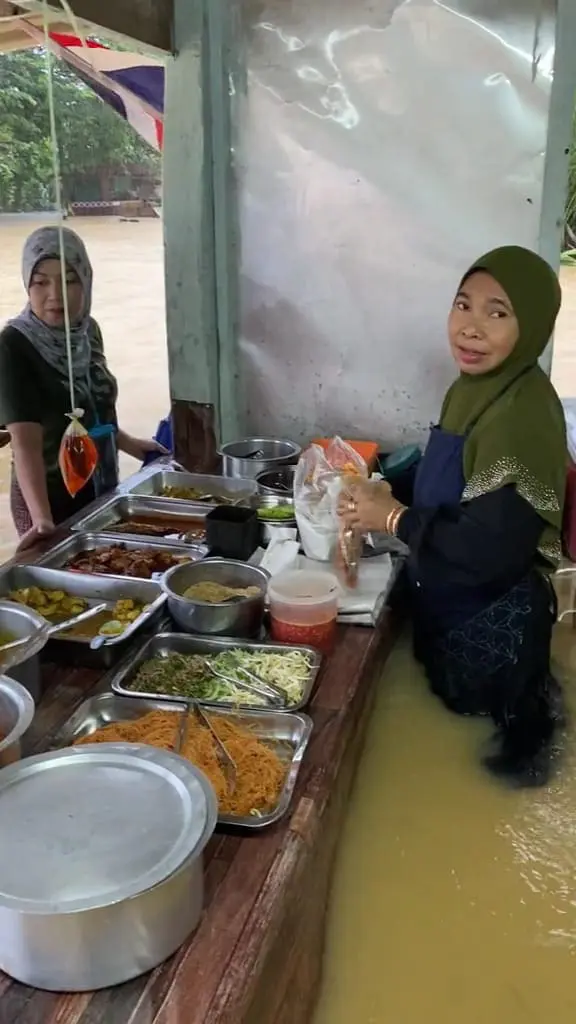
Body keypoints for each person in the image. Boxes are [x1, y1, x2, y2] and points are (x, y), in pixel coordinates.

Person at [339, 245, 567, 788]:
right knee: (450, 727)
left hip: (495, 628)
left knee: (508, 766)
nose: (471, 328)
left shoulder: (523, 415)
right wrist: (384, 487)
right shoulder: (475, 390)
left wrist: (392, 518)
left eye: (497, 313)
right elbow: (448, 478)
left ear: (531, 325)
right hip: (450, 612)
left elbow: (490, 550)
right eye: (463, 305)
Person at [0, 226, 166, 552]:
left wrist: (132, 444)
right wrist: (42, 520)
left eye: (69, 280)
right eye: (41, 282)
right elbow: (25, 445)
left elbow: (93, 408)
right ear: (27, 285)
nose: (55, 295)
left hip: (99, 485)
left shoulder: (87, 331)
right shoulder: (13, 346)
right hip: (47, 497)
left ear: (87, 281)